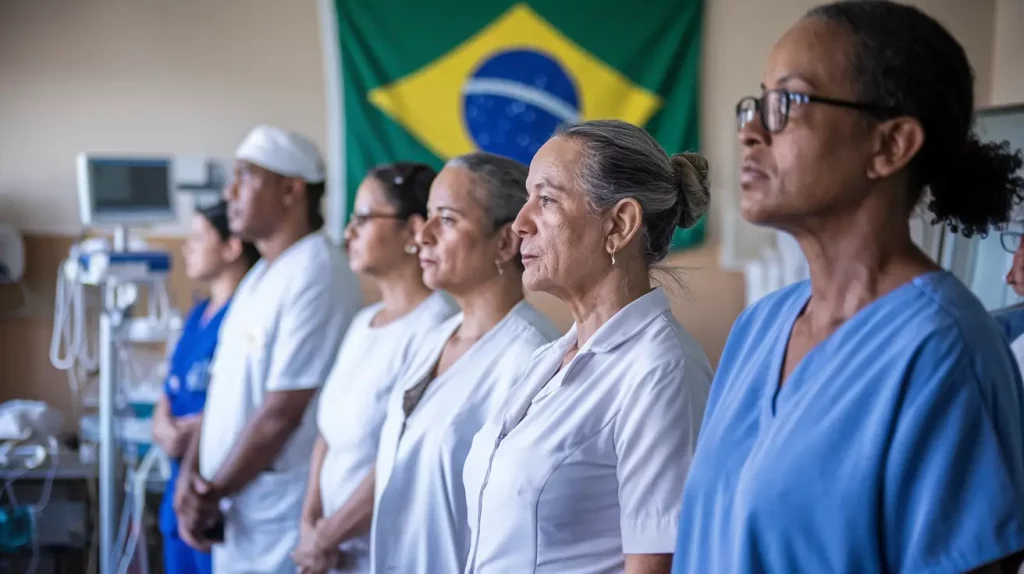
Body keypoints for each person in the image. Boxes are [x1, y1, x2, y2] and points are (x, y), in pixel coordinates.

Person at [673, 2, 1024, 573]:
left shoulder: (943, 351)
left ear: (889, 145)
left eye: (787, 103)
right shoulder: (761, 327)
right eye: (755, 105)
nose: (752, 132)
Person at [460, 120, 714, 574]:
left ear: (618, 225)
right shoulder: (549, 360)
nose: (520, 223)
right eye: (526, 198)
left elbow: (660, 562)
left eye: (547, 199)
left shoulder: (661, 370)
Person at [173, 124, 363, 574]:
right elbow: (222, 393)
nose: (230, 191)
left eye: (246, 176)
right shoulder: (259, 276)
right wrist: (191, 475)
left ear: (291, 189)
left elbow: (283, 411)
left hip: (276, 517)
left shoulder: (317, 269)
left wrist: (210, 492)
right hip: (234, 509)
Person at [369, 152, 560, 574]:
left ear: (506, 242)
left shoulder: (531, 358)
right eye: (428, 216)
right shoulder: (435, 337)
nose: (424, 235)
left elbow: (528, 519)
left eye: (448, 220)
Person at [292, 162, 457, 574]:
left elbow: (399, 458)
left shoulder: (437, 327)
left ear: (412, 230)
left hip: (383, 552)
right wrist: (309, 524)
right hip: (329, 551)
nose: (348, 233)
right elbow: (326, 437)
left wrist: (328, 536)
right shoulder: (362, 323)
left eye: (363, 219)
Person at [152, 200, 260, 574]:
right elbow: (170, 388)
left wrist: (198, 428)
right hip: (177, 494)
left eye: (199, 236)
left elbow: (252, 405)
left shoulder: (246, 319)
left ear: (232, 248)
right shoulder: (198, 315)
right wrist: (162, 423)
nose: (187, 246)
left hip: (218, 494)